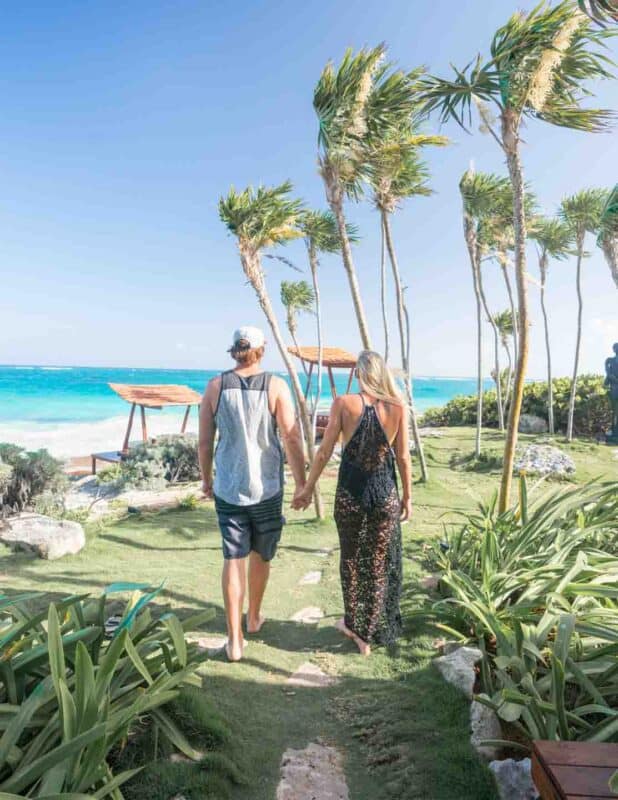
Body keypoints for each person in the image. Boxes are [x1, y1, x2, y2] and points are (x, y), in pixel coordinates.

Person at [292, 350, 411, 656]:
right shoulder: (398, 407)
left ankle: (356, 628)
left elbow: (323, 452)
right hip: (385, 496)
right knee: (378, 563)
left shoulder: (344, 404)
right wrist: (407, 496)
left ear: (359, 374)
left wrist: (307, 488)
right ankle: (369, 628)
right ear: (382, 374)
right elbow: (403, 457)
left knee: (351, 560)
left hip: (350, 497)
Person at [199, 326, 306, 662]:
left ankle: (234, 640)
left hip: (228, 488)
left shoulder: (215, 387)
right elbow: (290, 437)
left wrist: (206, 480)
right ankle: (254, 617)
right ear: (262, 350)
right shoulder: (275, 386)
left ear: (235, 350)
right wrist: (302, 483)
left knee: (232, 558)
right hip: (268, 488)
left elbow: (204, 441)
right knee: (261, 555)